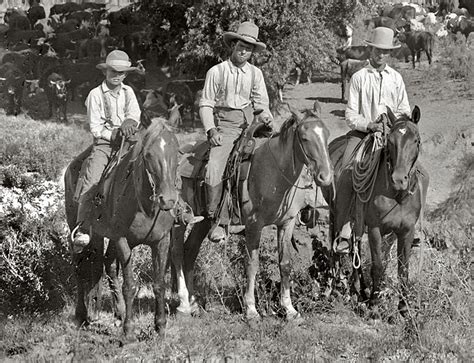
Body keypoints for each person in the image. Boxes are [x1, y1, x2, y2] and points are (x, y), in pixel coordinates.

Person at [334, 27, 411, 254]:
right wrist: (369, 125)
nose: (381, 54)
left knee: (415, 168)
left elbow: (404, 110)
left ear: (389, 53)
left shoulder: (396, 78)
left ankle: (412, 221)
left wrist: (394, 125)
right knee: (347, 170)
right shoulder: (359, 77)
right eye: (378, 50)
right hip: (363, 134)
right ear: (371, 49)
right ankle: (346, 229)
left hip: (392, 135)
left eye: (385, 51)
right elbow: (350, 115)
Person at [199, 21, 273, 243]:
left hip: (251, 125)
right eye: (241, 46)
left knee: (272, 158)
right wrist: (211, 130)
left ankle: (274, 211)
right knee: (214, 166)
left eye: (249, 48)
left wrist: (266, 116)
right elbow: (206, 104)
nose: (244, 51)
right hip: (226, 126)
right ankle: (217, 220)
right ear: (233, 45)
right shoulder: (217, 72)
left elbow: (261, 103)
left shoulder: (255, 74)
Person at [72, 50, 142, 252]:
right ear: (106, 72)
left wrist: (130, 122)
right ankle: (83, 226)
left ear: (126, 75)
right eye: (113, 71)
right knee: (92, 177)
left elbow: (135, 113)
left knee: (151, 162)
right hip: (105, 144)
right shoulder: (95, 95)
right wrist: (113, 135)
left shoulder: (128, 92)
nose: (117, 76)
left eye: (121, 73)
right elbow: (95, 127)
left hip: (128, 140)